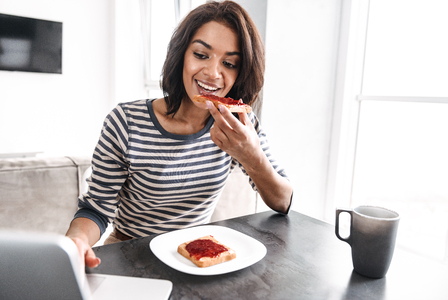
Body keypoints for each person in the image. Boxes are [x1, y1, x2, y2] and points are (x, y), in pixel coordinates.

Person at [66, 0, 293, 268]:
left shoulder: (240, 125)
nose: (213, 73)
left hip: (194, 257)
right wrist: (76, 242)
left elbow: (283, 201)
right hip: (130, 253)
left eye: (229, 63)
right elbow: (96, 210)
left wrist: (251, 156)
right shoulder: (125, 121)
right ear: (180, 55)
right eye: (201, 55)